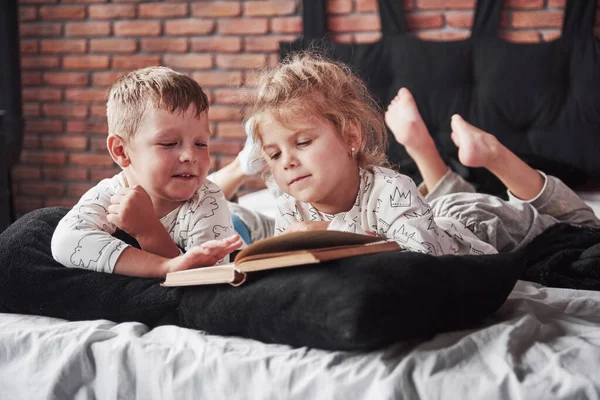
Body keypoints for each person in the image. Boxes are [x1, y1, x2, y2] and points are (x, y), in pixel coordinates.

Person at [244, 52, 496, 256]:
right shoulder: (289, 208)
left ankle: (493, 156)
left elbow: (423, 256)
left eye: (303, 142)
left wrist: (333, 233)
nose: (287, 162)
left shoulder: (391, 189)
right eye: (275, 155)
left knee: (523, 217)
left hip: (466, 238)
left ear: (350, 137)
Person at [51, 66, 242, 278]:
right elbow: (65, 241)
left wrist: (149, 232)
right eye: (169, 143)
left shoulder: (207, 201)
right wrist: (164, 266)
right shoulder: (111, 194)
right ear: (121, 151)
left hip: (240, 226)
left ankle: (242, 167)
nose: (190, 155)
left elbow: (209, 279)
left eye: (201, 143)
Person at [385, 87, 600, 252]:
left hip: (450, 222)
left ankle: (427, 150)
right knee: (586, 231)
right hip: (449, 223)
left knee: (585, 228)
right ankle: (479, 154)